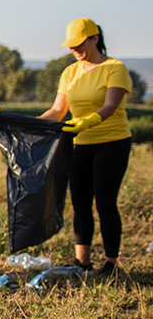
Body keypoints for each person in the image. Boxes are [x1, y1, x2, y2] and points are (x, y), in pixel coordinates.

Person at [39, 18, 132, 276]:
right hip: (80, 144)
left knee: (105, 203)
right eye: (70, 46)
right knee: (80, 202)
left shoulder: (115, 68)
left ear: (95, 38)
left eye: (79, 44)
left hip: (112, 143)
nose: (74, 50)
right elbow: (58, 110)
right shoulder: (70, 72)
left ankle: (111, 263)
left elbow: (110, 106)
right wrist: (33, 124)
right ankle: (83, 263)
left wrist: (88, 121)